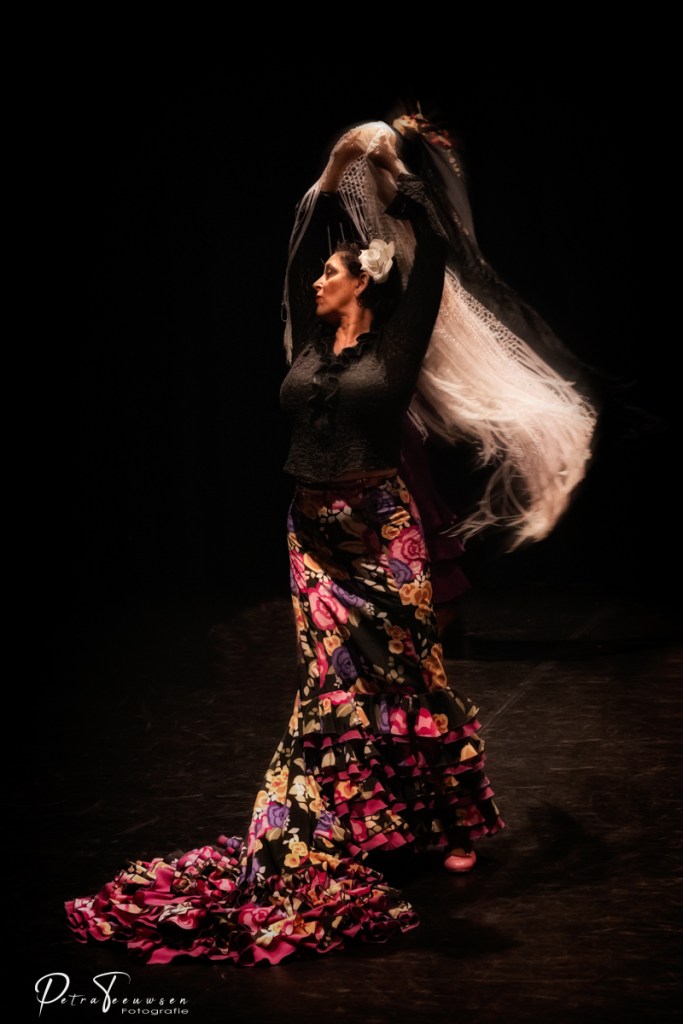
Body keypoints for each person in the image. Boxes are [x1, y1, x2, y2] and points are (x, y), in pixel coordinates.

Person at [65, 119, 594, 967]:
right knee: (329, 689)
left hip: (382, 533)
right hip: (311, 535)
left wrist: (396, 166)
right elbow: (305, 236)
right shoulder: (313, 340)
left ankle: (451, 823)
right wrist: (340, 167)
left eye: (329, 272)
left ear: (362, 285)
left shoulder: (397, 342)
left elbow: (432, 251)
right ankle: (331, 824)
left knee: (411, 677)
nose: (314, 278)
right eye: (317, 271)